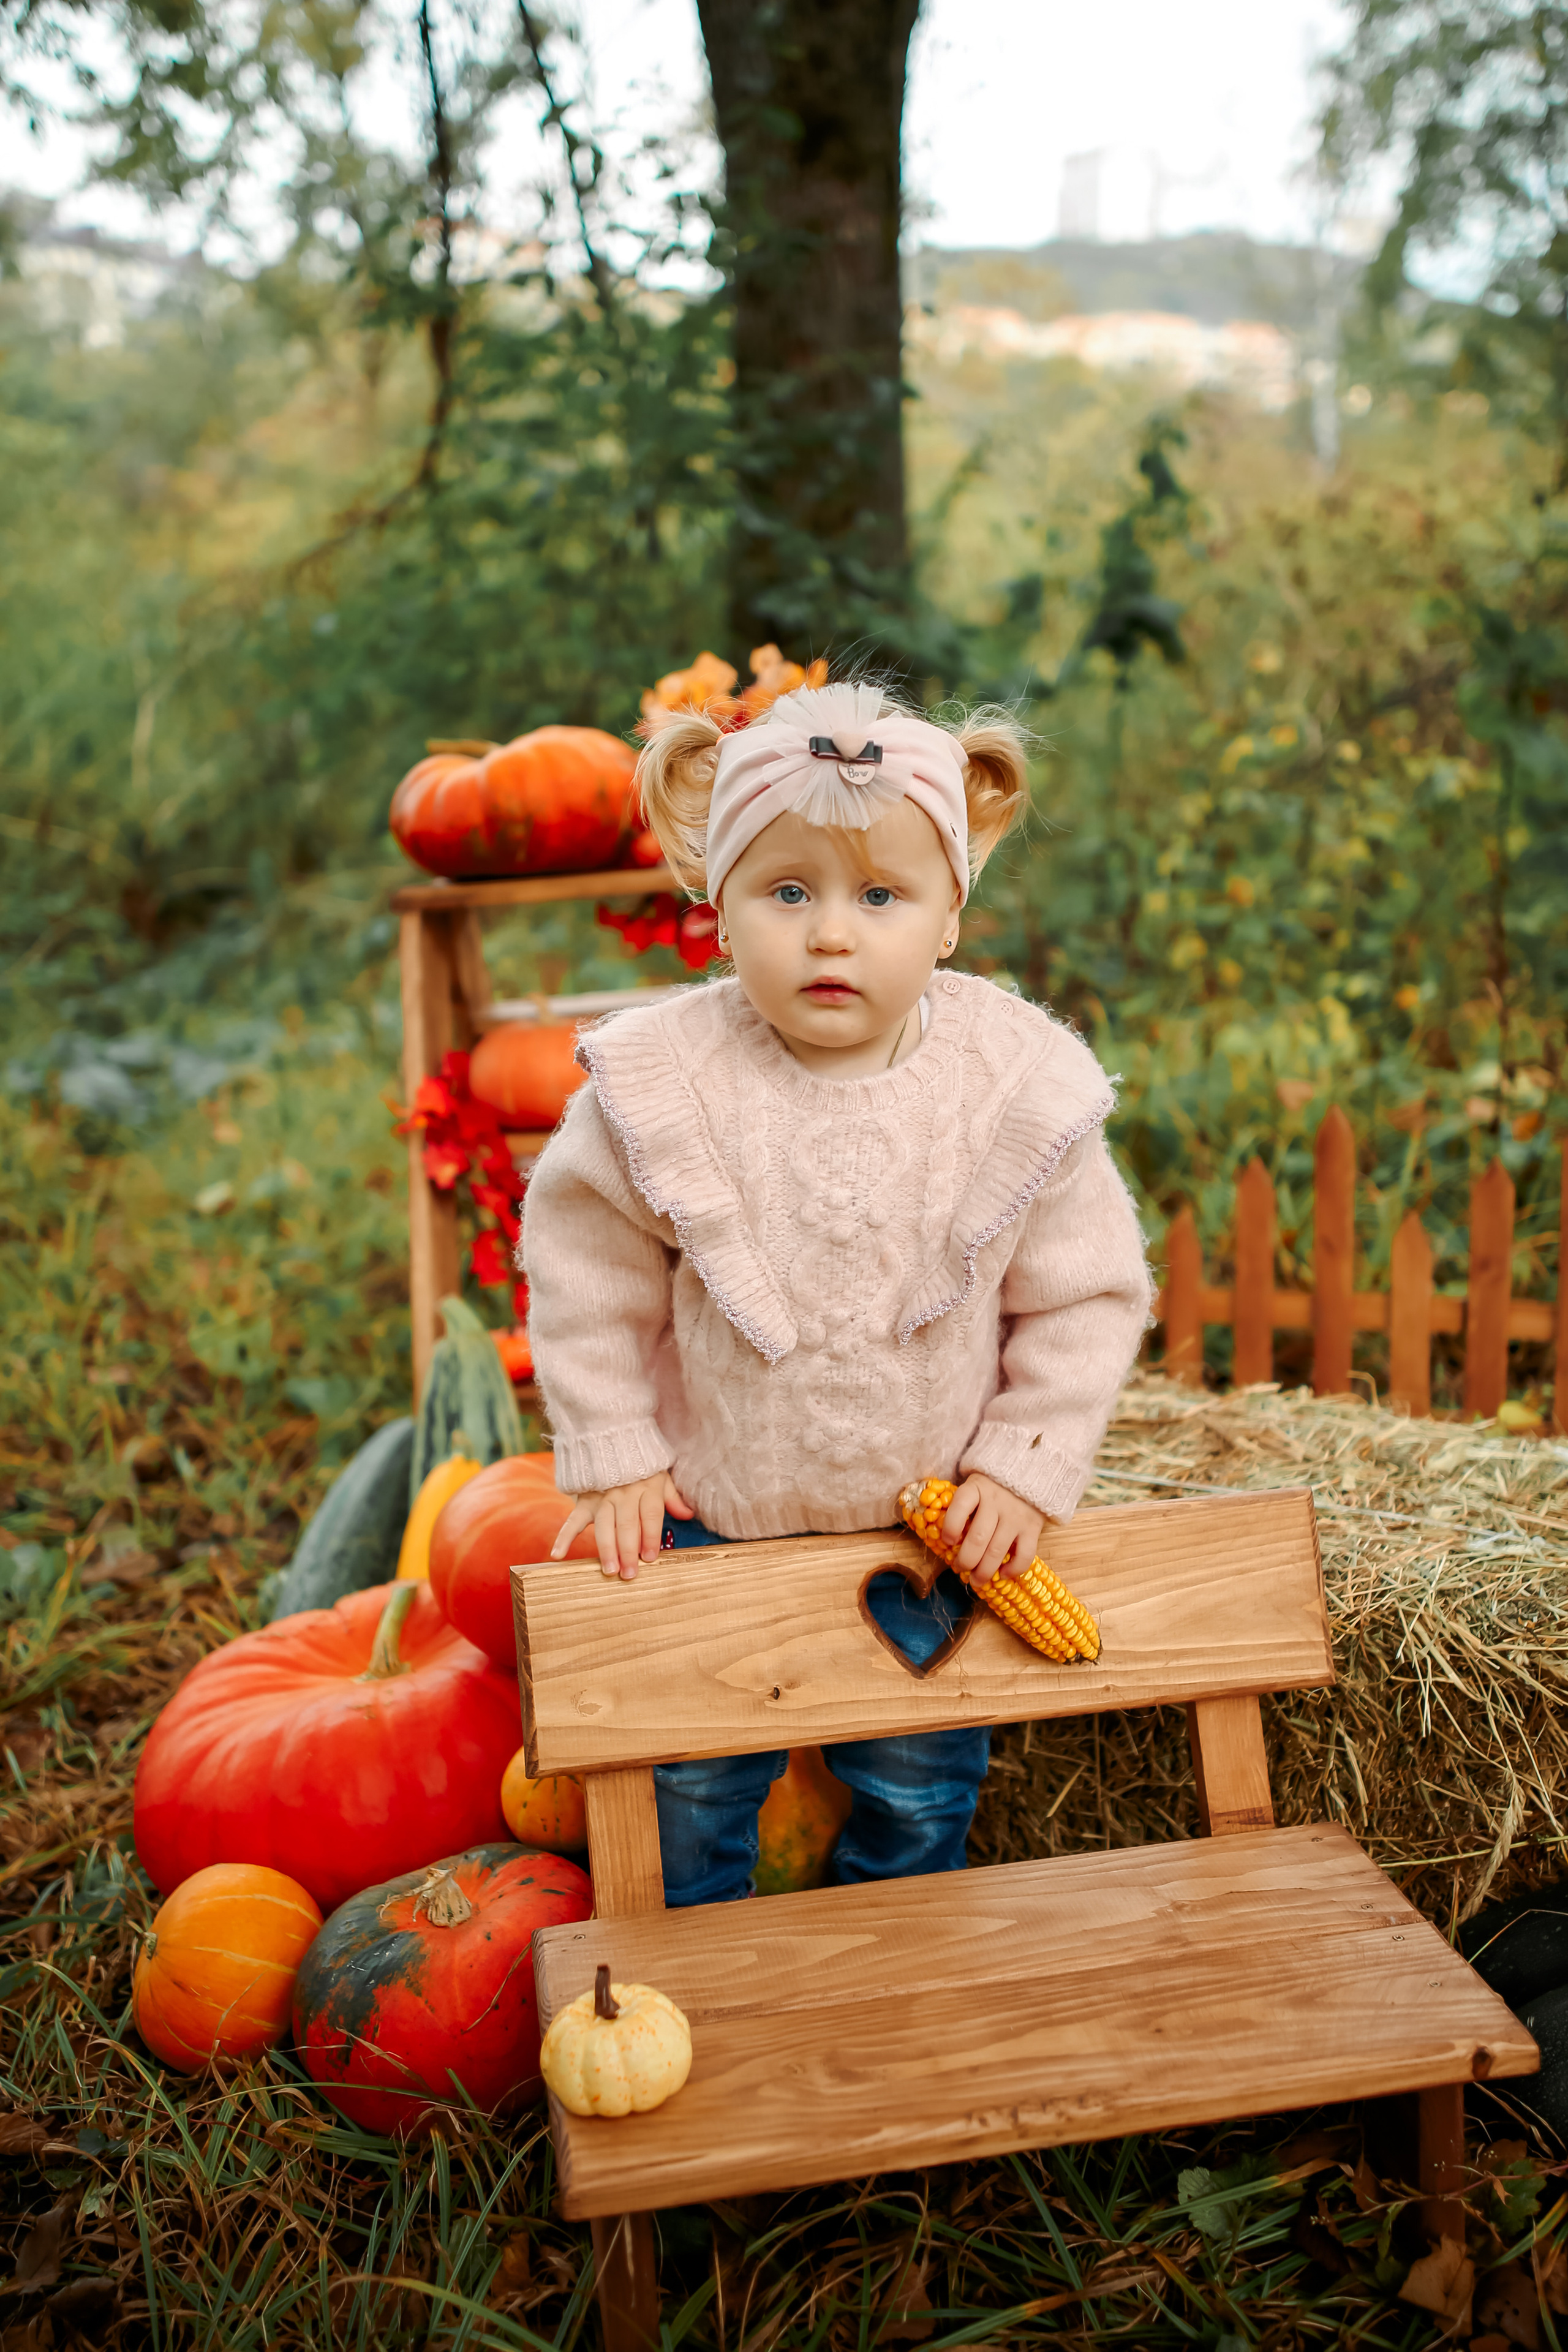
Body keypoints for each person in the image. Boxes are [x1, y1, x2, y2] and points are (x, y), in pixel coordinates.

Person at [520, 677, 1152, 1904]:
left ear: (949, 919)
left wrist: (1024, 1459)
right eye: (788, 892)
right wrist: (615, 1448)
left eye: (878, 897)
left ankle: (894, 1952)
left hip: (928, 1533)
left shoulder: (1011, 1083)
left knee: (918, 1786)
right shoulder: (666, 1083)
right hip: (709, 1512)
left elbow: (1085, 1295)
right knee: (690, 1781)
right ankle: (688, 1962)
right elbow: (586, 1267)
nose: (829, 935)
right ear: (719, 911)